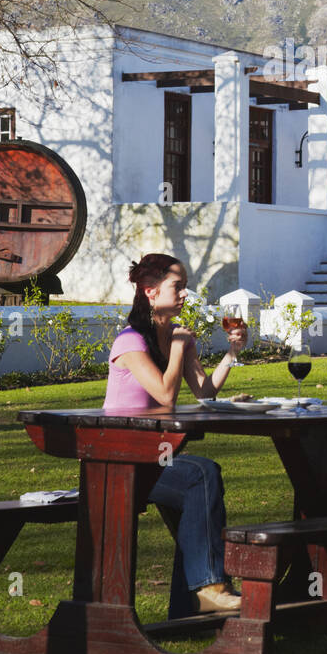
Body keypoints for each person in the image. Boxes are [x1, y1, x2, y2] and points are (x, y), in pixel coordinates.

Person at [103, 253, 247, 615]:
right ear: (150, 292)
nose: (185, 294)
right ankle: (209, 587)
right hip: (119, 457)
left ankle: (192, 603)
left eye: (185, 286)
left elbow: (204, 392)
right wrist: (181, 347)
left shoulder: (175, 336)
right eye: (177, 287)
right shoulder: (130, 341)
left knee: (200, 476)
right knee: (200, 474)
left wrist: (232, 352)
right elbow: (165, 395)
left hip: (156, 453)